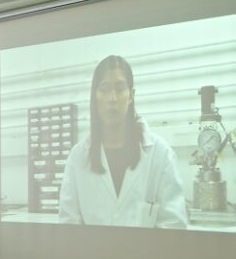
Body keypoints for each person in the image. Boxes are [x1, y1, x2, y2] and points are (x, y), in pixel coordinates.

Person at [58, 55, 187, 228]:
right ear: (94, 96)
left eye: (120, 89)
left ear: (131, 95)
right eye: (104, 89)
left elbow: (173, 227)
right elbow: (69, 226)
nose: (112, 98)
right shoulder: (78, 157)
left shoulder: (161, 155)